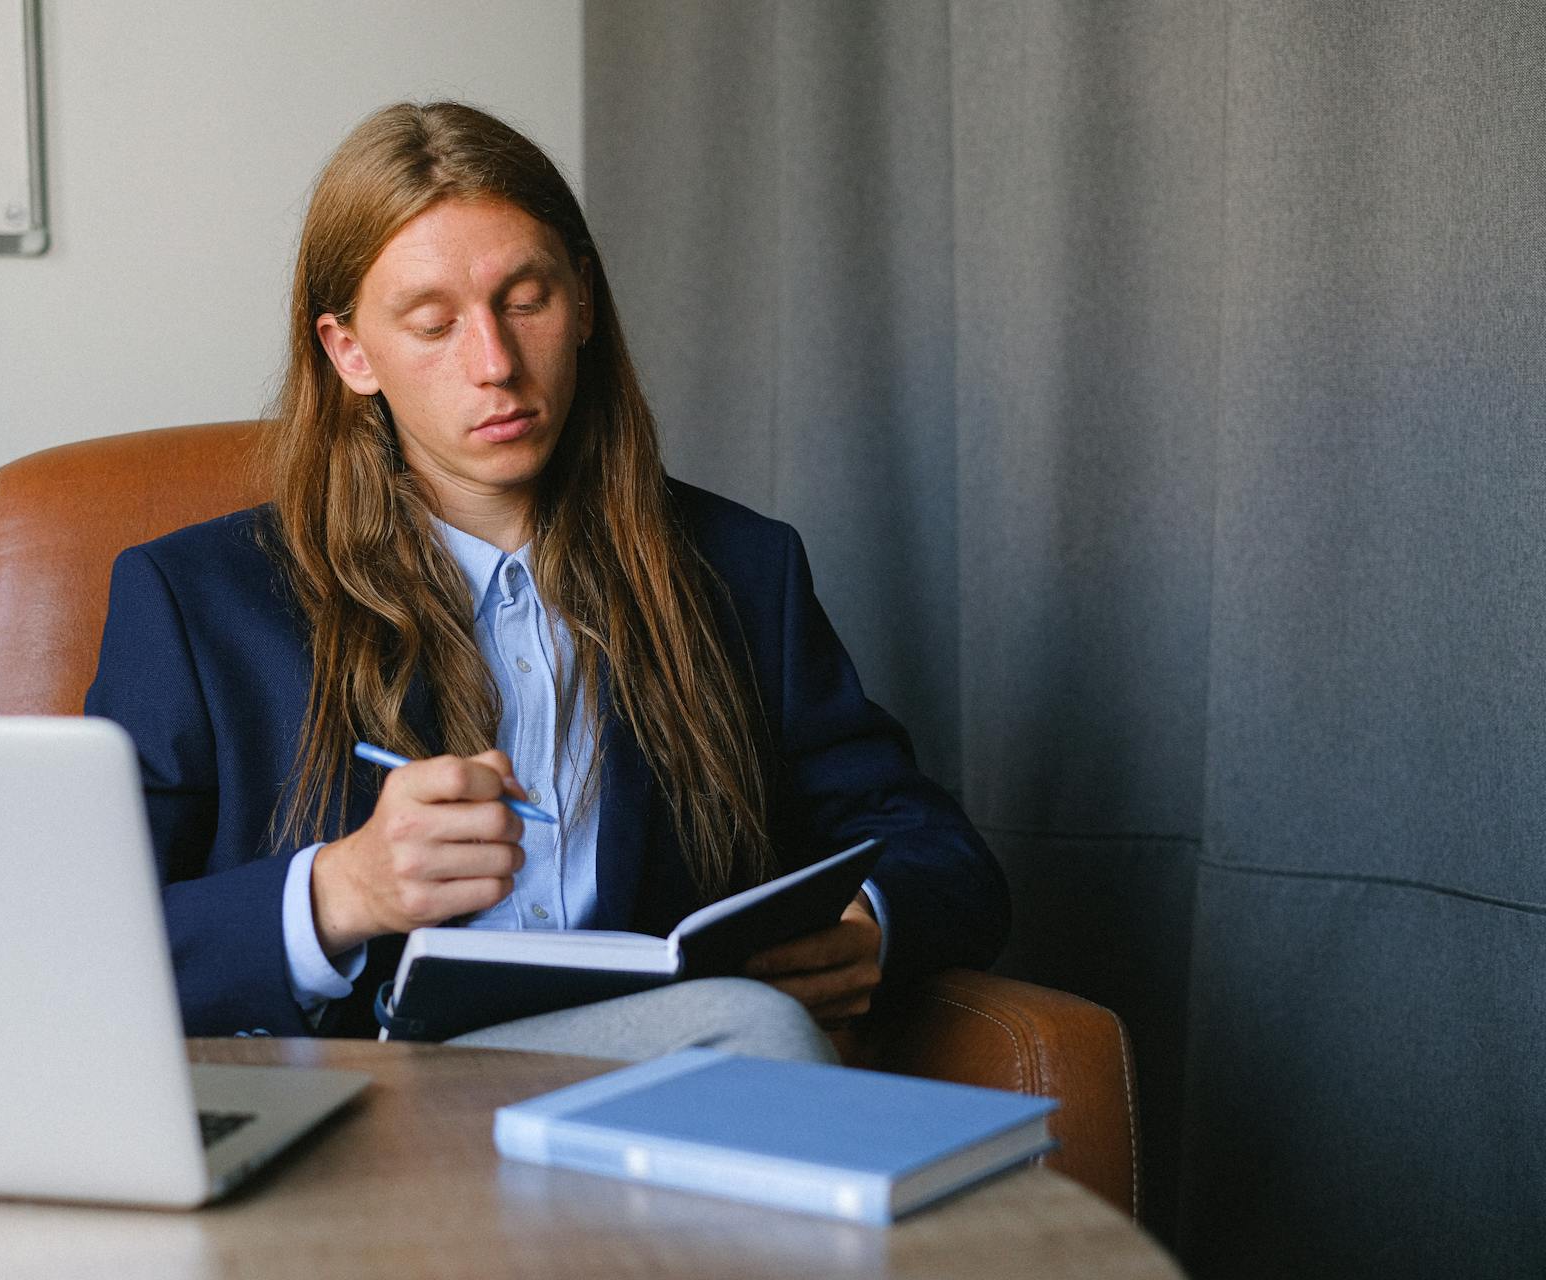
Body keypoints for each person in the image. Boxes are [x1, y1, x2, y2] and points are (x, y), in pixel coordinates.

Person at [85, 102, 1008, 1062]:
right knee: (759, 1032)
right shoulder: (194, 600)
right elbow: (75, 943)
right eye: (433, 324)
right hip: (354, 1111)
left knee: (759, 1029)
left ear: (586, 303)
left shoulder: (742, 570)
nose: (495, 365)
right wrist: (339, 893)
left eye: (527, 301)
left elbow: (933, 847)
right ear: (350, 353)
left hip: (650, 1086)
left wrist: (872, 923)